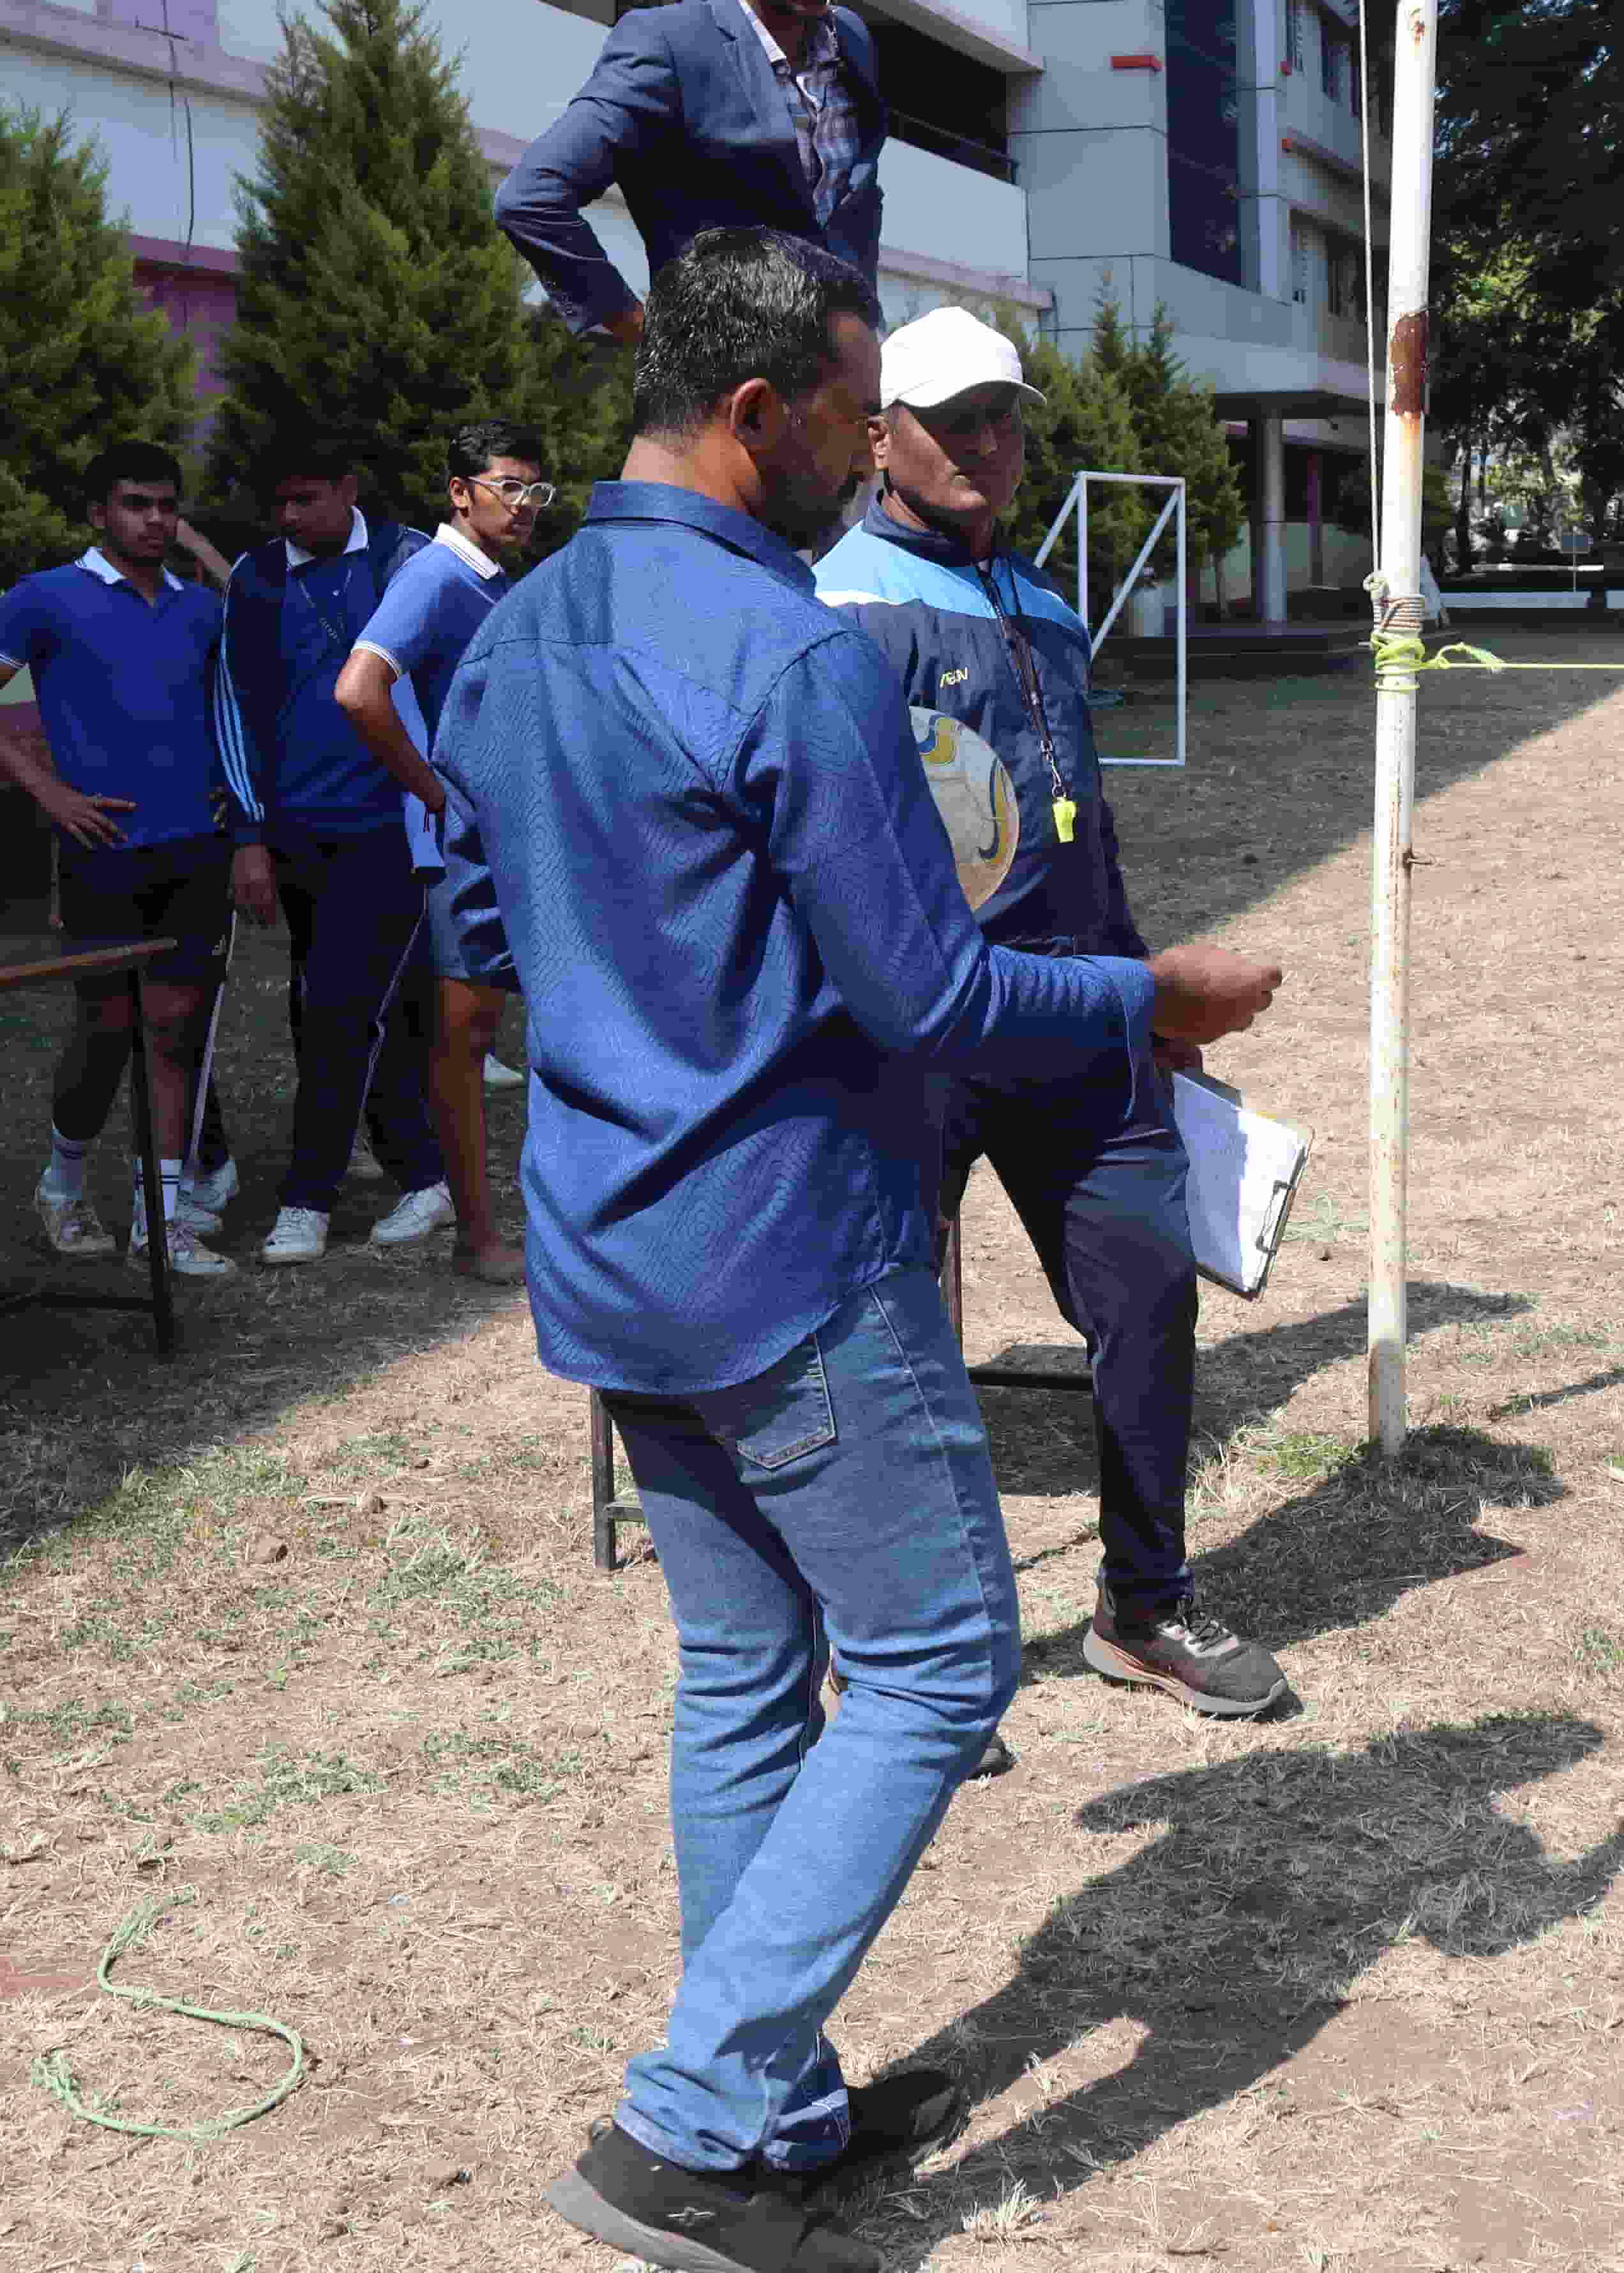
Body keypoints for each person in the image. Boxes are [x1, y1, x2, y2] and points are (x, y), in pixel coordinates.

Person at [434, 230, 1278, 2273]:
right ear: (760, 417)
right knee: (930, 1655)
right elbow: (939, 995)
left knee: (745, 1672)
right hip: (789, 1246)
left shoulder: (515, 630)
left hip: (614, 1241)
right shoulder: (794, 646)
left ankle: (778, 2096)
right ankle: (696, 2114)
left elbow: (478, 936)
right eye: (846, 405)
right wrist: (1151, 997)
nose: (866, 442)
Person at [817, 308, 1289, 1728]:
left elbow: (1086, 831)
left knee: (1146, 1297)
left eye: (1004, 415)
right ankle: (890, 1647)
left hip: (1079, 1020)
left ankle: (1142, 1606)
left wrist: (1148, 994)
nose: (984, 442)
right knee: (885, 1332)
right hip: (915, 1029)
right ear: (875, 433)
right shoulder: (836, 610)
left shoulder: (1041, 601)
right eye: (952, 415)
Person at [0, 442, 235, 1276]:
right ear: (99, 513)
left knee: (175, 1034)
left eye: (168, 505)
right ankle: (63, 1187)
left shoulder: (198, 607)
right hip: (104, 851)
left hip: (194, 846)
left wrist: (209, 558)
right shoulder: (46, 599)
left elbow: (266, 633)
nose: (155, 520)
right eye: (137, 504)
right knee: (108, 1031)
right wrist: (48, 793)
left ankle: (160, 1219)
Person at [497, 0, 886, 342]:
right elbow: (530, 199)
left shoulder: (851, 40)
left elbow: (855, 197)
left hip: (839, 384)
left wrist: (866, 332)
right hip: (723, 397)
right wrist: (647, 334)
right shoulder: (668, 46)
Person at [211, 446, 452, 1264]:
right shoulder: (255, 577)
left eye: (305, 499)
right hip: (295, 830)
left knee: (343, 1011)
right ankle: (421, 1175)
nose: (288, 519)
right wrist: (250, 834)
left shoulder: (408, 558)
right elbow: (236, 704)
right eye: (277, 502)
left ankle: (310, 1197)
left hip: (390, 827)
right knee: (336, 1010)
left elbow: (455, 675)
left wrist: (444, 795)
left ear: (349, 488)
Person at [335, 421, 550, 1286]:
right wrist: (431, 788)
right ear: (460, 491)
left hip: (521, 841)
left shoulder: (499, 582)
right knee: (463, 1039)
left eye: (538, 491)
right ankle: (477, 1236)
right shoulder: (434, 574)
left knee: (504, 1034)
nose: (527, 506)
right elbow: (360, 688)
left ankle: (524, 1227)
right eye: (510, 487)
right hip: (468, 852)